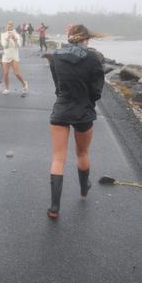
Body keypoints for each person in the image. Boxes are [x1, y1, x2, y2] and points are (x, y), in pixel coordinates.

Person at [43, 24, 105, 219]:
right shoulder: (94, 59)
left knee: (58, 158)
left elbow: (57, 86)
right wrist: (86, 102)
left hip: (61, 110)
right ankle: (84, 190)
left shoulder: (55, 57)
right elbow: (96, 92)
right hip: (83, 112)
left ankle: (54, 208)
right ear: (86, 39)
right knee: (83, 152)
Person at [0, 21, 29, 95]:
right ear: (6, 27)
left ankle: (24, 83)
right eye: (8, 26)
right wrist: (7, 39)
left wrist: (14, 39)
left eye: (10, 27)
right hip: (6, 55)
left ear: (12, 27)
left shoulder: (17, 35)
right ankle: (7, 88)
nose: (9, 28)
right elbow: (4, 46)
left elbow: (19, 46)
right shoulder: (3, 35)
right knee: (5, 73)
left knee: (16, 73)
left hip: (14, 55)